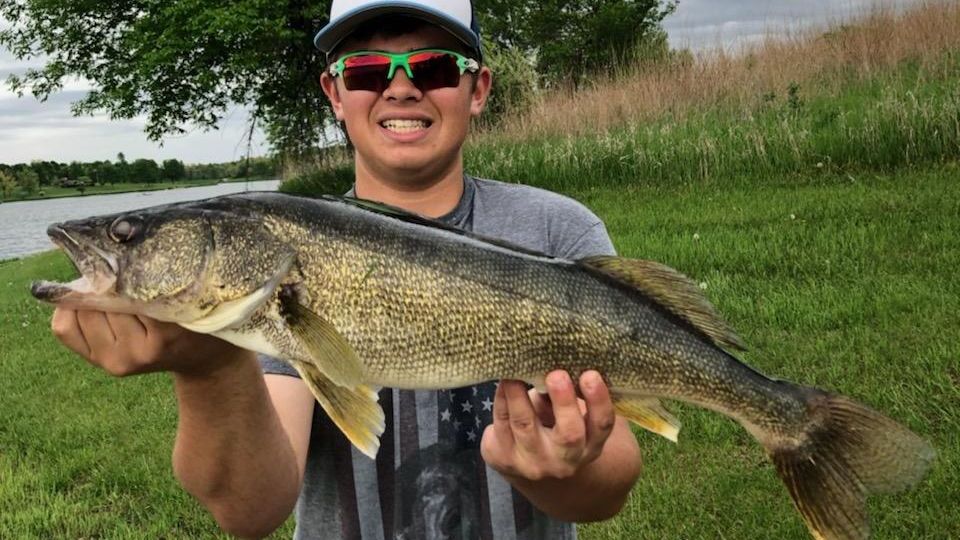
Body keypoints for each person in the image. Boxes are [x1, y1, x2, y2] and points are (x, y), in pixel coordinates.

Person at [49, 0, 643, 538]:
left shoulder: (558, 232)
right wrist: (208, 371)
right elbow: (250, 512)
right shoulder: (272, 273)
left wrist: (560, 473)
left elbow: (610, 484)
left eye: (433, 68)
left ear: (478, 88)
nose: (401, 89)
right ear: (335, 94)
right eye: (366, 72)